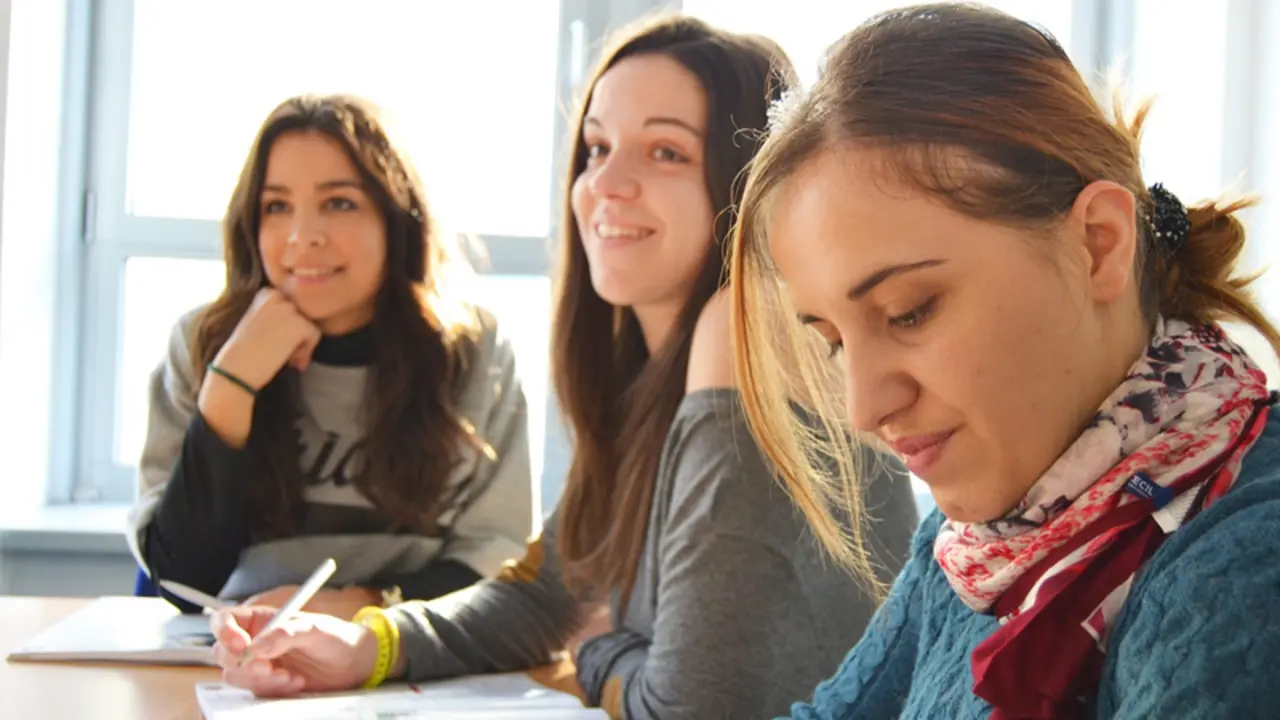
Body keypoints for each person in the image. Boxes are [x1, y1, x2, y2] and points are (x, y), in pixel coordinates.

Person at [208, 15, 919, 719]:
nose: (606, 183)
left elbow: (691, 708)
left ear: (745, 179)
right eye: (597, 147)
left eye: (665, 152)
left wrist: (599, 652)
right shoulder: (647, 372)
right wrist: (368, 646)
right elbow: (550, 592)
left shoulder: (742, 328)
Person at [729, 4, 1280, 719]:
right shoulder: (986, 534)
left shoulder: (1239, 569)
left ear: (1100, 244)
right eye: (834, 339)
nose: (864, 409)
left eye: (910, 311)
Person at [127, 95, 534, 621]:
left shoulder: (475, 353)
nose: (302, 237)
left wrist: (360, 606)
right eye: (276, 206)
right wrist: (230, 385)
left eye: (339, 203)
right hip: (231, 656)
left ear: (397, 219)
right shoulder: (202, 343)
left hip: (412, 654)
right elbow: (183, 582)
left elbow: (498, 562)